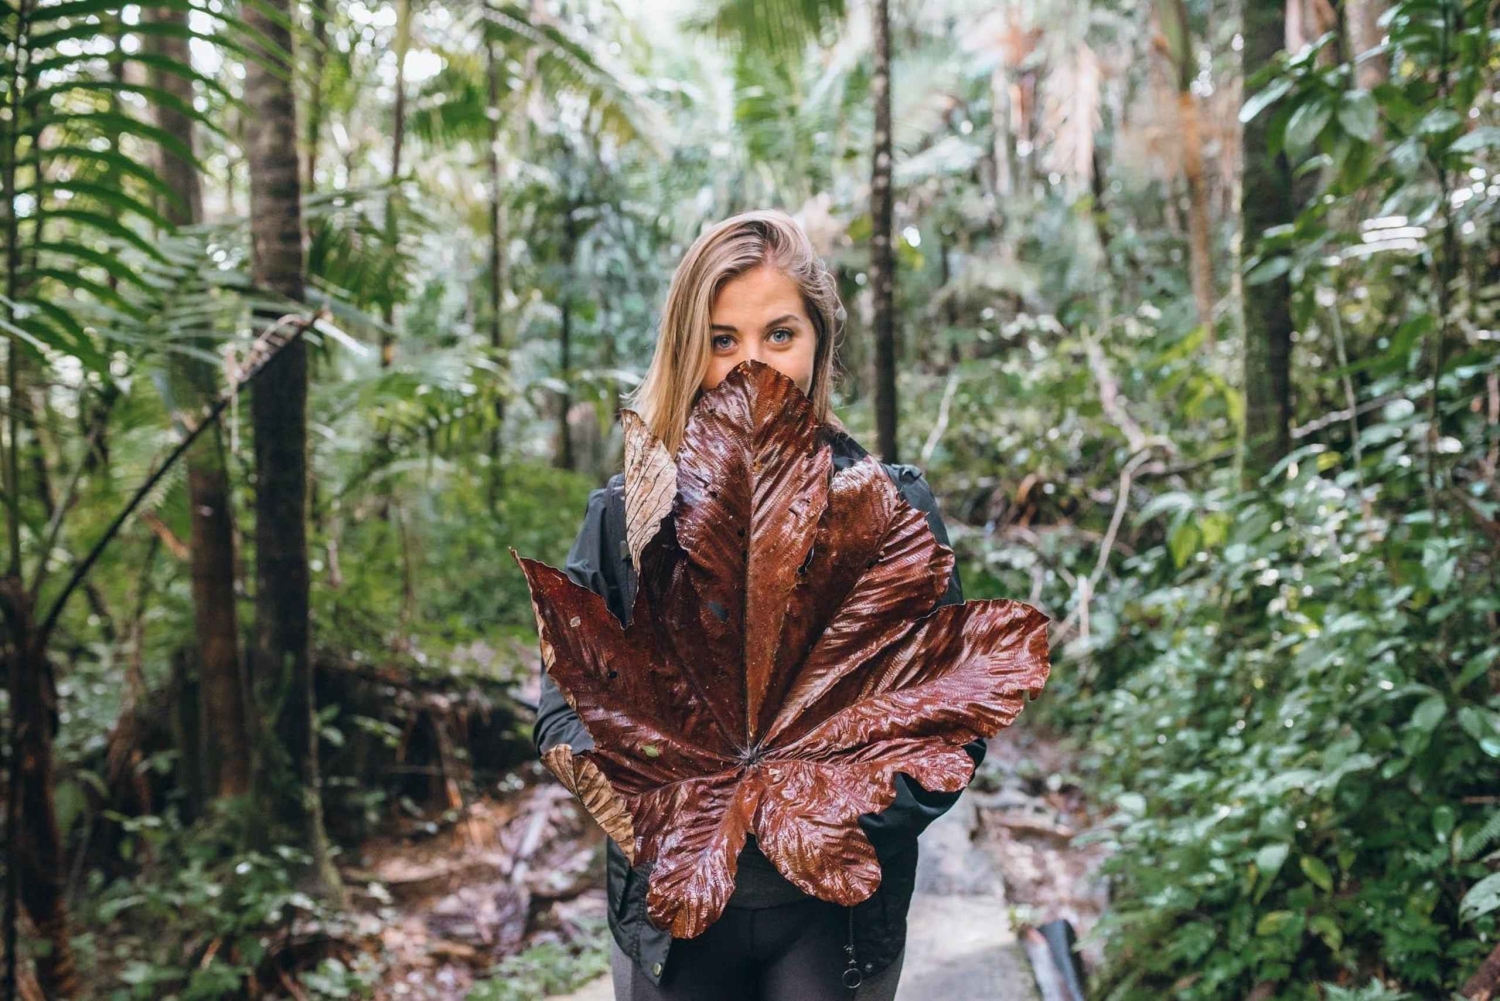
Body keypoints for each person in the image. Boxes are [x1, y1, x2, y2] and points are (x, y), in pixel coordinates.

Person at [532, 208, 984, 1000]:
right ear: (688, 346)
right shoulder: (626, 517)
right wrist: (656, 787)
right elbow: (565, 702)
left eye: (780, 334)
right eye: (722, 339)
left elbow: (953, 715)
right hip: (674, 914)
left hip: (833, 918)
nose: (753, 364)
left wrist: (820, 813)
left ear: (819, 343)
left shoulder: (888, 510)